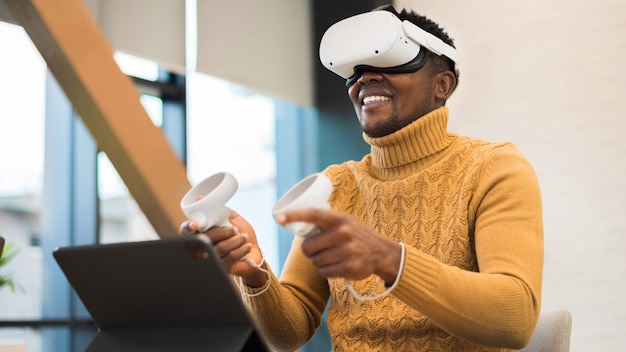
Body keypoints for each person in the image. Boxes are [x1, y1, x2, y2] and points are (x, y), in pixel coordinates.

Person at [182, 5, 543, 352]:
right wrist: (255, 273)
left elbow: (516, 318)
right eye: (355, 71)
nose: (365, 77)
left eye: (391, 62)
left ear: (443, 85)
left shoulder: (493, 167)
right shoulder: (335, 186)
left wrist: (388, 260)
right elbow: (288, 336)